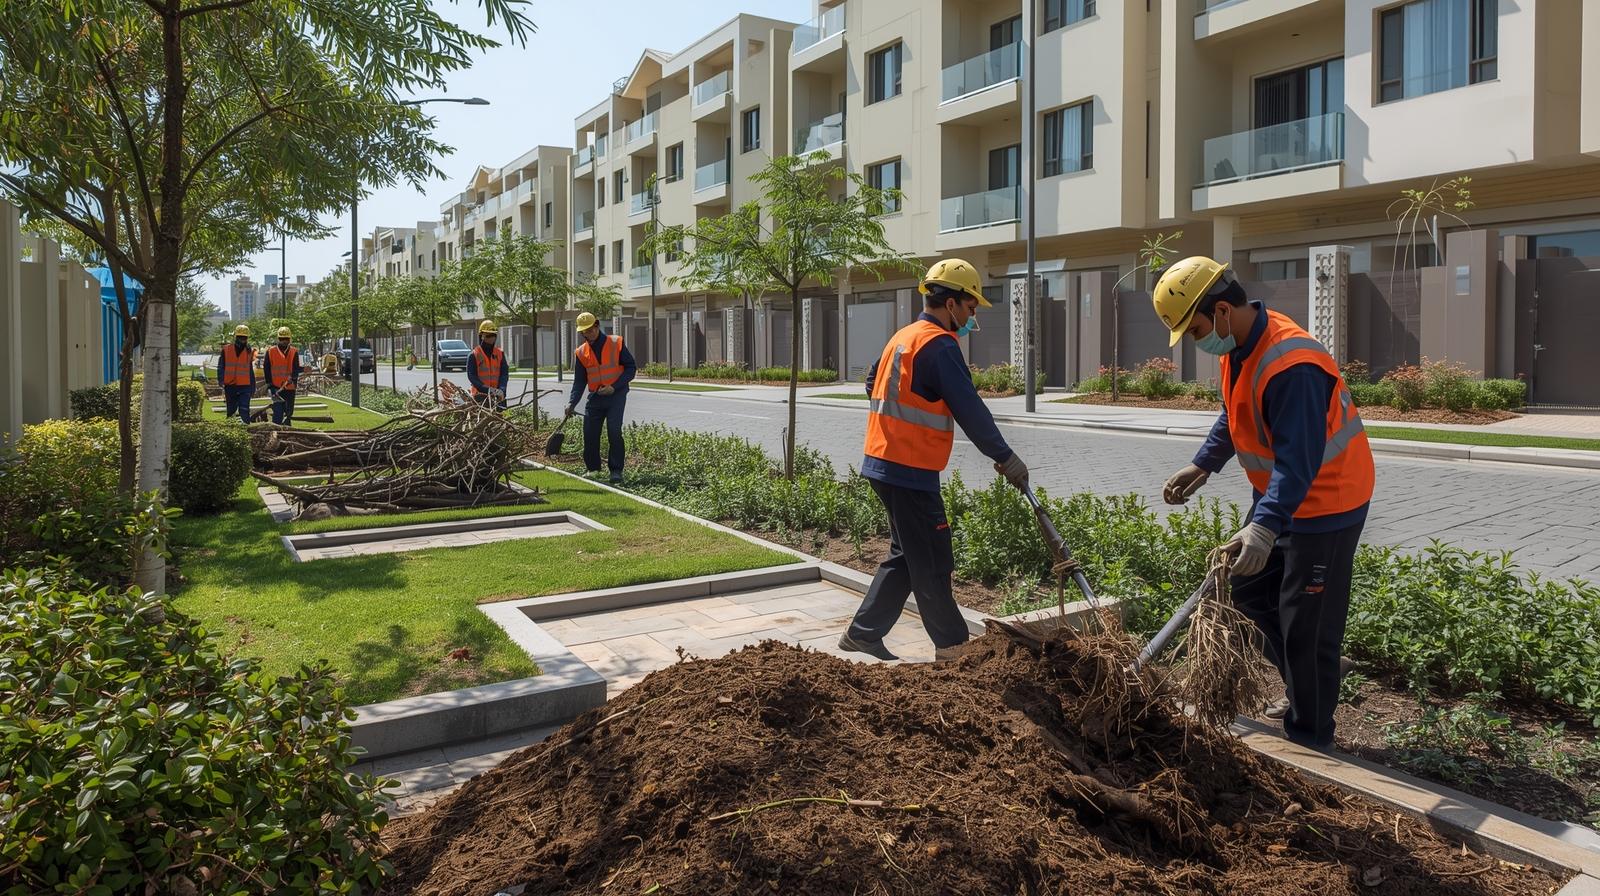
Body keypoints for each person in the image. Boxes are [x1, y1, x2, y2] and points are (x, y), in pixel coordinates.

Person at [1152, 256, 1374, 750]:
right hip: (1283, 496)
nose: (1197, 341)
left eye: (1197, 329)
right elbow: (1236, 412)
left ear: (1224, 310)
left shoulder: (1292, 364)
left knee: (1305, 625)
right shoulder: (1241, 347)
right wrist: (1204, 464)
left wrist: (1264, 525)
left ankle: (1310, 737)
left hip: (1327, 502)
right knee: (1250, 593)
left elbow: (1299, 461)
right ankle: (1311, 676)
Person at [838, 258, 1029, 663]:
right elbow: (970, 409)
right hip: (908, 470)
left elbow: (873, 381)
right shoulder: (940, 345)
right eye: (971, 305)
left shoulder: (905, 335)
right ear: (952, 303)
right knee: (934, 558)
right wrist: (1006, 458)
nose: (972, 314)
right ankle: (954, 648)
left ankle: (863, 634)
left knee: (908, 553)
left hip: (883, 461)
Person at [567, 311, 636, 484]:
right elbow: (579, 381)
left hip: (616, 395)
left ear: (597, 326)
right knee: (589, 432)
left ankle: (616, 471)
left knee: (614, 430)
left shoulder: (616, 343)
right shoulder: (581, 352)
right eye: (584, 331)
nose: (587, 334)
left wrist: (614, 387)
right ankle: (593, 469)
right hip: (596, 397)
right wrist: (572, 402)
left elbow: (631, 368)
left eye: (590, 330)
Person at [263, 326, 301, 426]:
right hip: (275, 387)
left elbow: (296, 368)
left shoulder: (294, 351)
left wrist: (293, 378)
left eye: (286, 339)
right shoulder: (270, 351)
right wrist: (269, 385)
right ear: (278, 339)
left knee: (289, 412)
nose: (284, 341)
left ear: (290, 339)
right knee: (278, 411)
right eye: (282, 339)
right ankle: (276, 429)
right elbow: (266, 369)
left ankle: (287, 430)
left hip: (290, 386)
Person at [468, 319, 510, 411]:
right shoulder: (474, 355)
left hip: (498, 396)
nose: (492, 338)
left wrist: (502, 389)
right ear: (481, 336)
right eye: (488, 335)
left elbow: (504, 374)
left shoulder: (500, 353)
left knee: (501, 421)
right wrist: (489, 390)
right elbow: (472, 377)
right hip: (480, 397)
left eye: (493, 335)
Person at [220, 325, 256, 425]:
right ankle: (230, 432)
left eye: (245, 338)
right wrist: (221, 380)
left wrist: (253, 386)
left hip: (245, 385)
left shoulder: (249, 351)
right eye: (240, 337)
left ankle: (246, 430)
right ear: (236, 337)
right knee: (231, 410)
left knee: (244, 409)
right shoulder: (226, 350)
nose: (243, 340)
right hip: (230, 385)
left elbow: (250, 370)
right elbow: (221, 366)